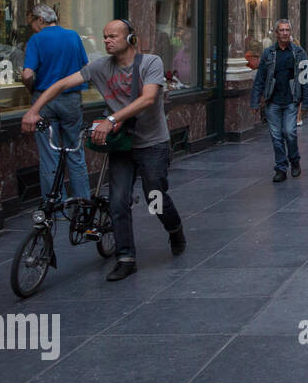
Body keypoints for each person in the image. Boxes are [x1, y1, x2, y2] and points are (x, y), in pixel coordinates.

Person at [21, 18, 185, 282]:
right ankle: (125, 258)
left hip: (152, 143)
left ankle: (174, 228)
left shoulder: (150, 63)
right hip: (122, 145)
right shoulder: (100, 67)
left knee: (154, 197)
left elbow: (149, 98)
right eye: (105, 36)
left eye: (113, 36)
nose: (107, 41)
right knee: (118, 201)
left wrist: (111, 119)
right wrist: (33, 110)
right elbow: (61, 85)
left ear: (130, 38)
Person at [21, 4, 91, 202]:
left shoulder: (36, 39)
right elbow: (85, 67)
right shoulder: (73, 36)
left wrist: (30, 88)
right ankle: (83, 203)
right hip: (72, 100)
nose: (32, 28)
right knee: (75, 154)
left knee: (49, 156)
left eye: (32, 24)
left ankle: (55, 206)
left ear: (40, 20)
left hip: (44, 100)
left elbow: (27, 74)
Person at [250, 19, 308, 182]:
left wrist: (306, 101)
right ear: (276, 33)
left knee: (290, 133)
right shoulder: (268, 53)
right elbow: (260, 78)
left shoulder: (300, 52)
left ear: (290, 33)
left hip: (292, 100)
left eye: (287, 30)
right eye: (282, 30)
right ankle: (281, 168)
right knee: (276, 136)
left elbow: (306, 78)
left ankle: (295, 160)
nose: (285, 33)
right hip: (273, 101)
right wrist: (255, 101)